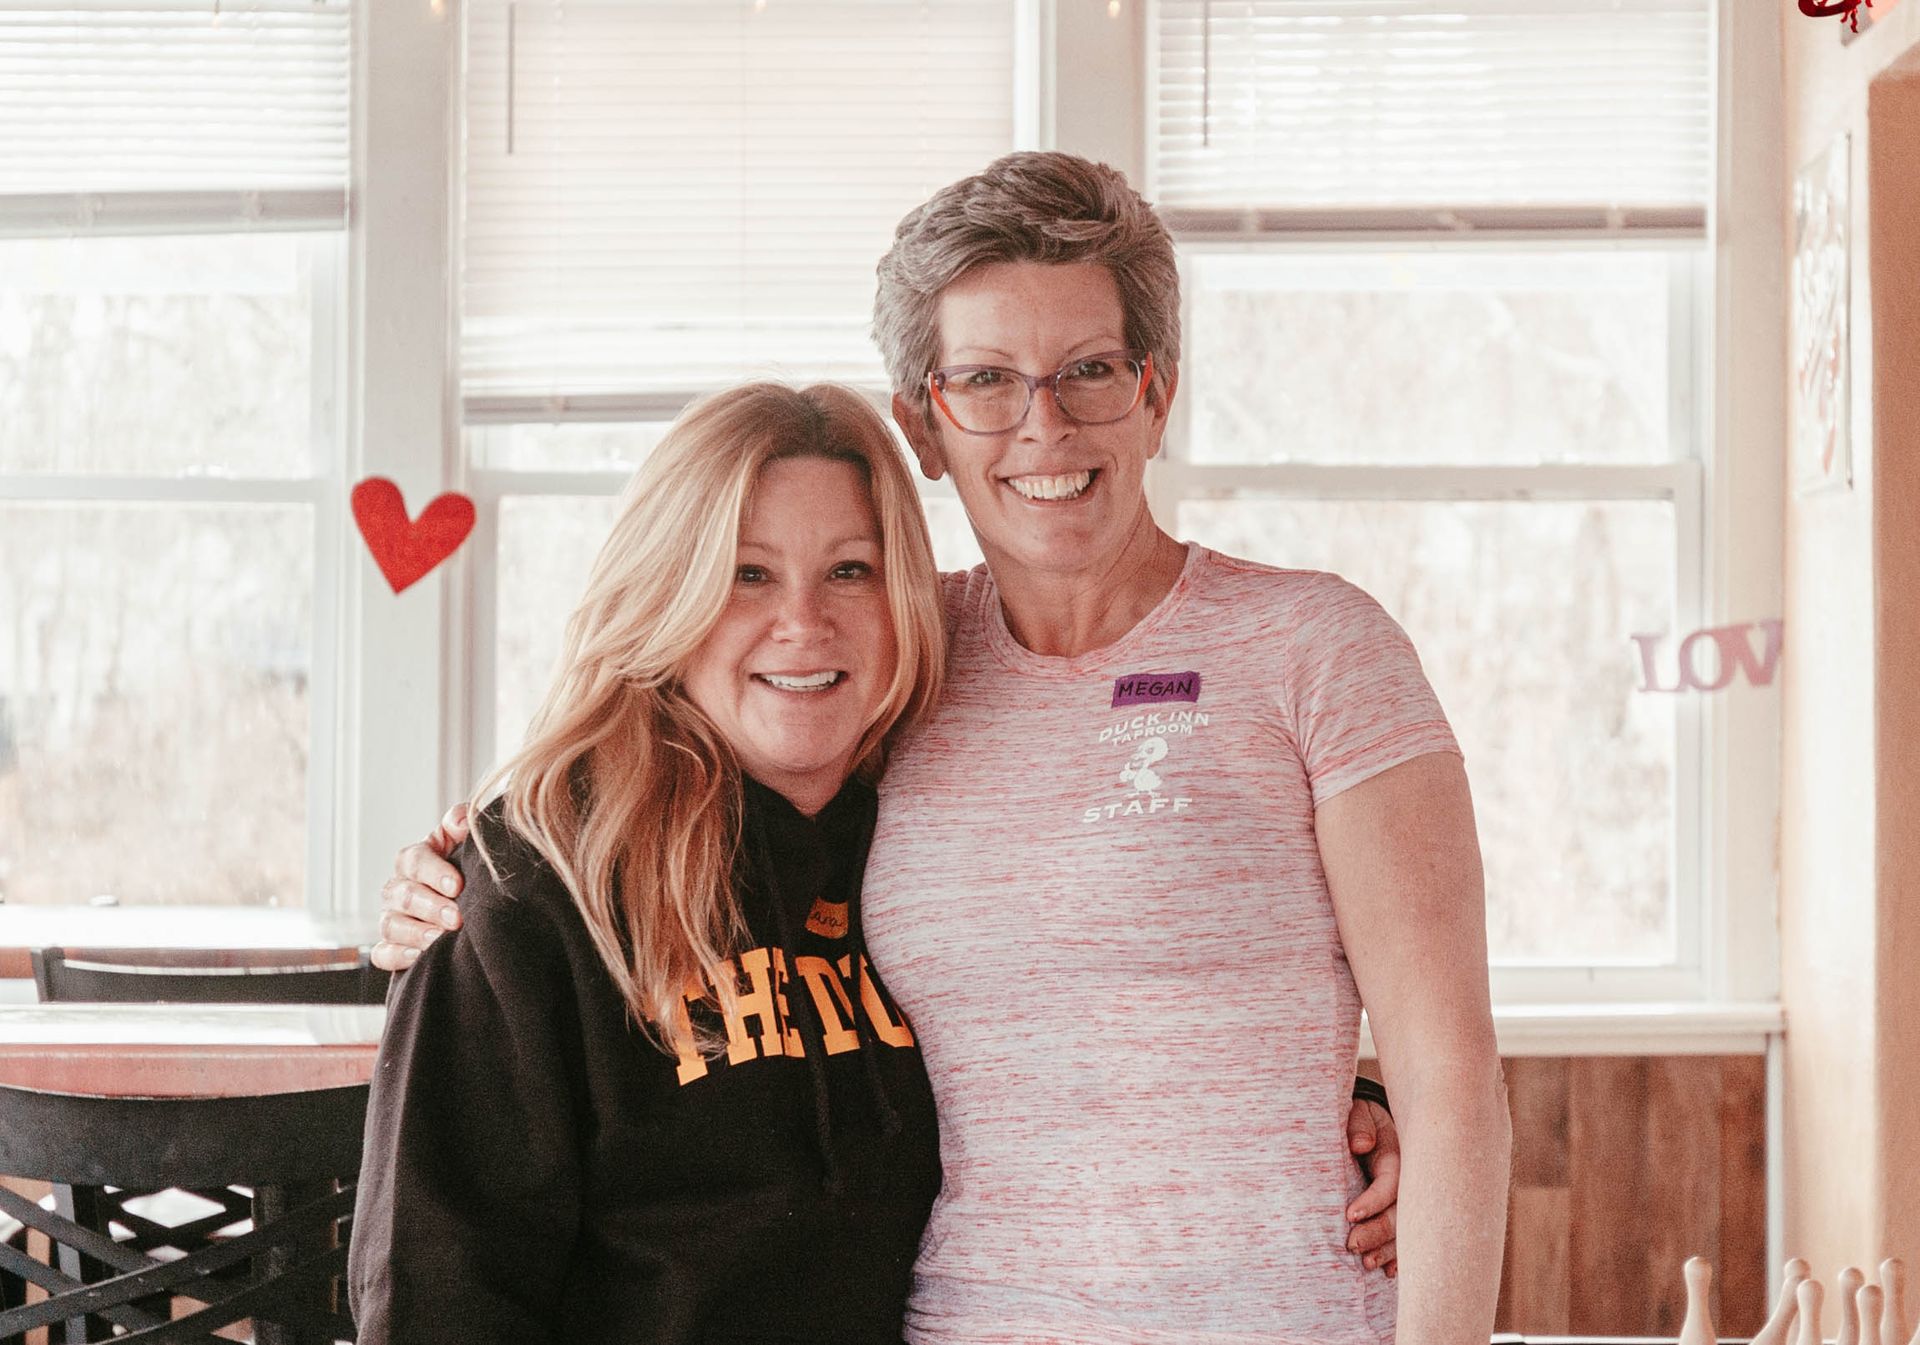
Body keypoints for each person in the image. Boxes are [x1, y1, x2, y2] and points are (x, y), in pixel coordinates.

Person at [377, 152, 1509, 1345]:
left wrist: (1357, 1105)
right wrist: (460, 877)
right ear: (925, 422)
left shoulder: (1311, 647)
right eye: (986, 380)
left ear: (1156, 392)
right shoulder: (904, 663)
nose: (1045, 424)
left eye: (1090, 371)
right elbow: (684, 763)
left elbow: (1449, 1067)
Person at [348, 383, 951, 1344]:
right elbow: (438, 1299)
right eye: (748, 574)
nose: (804, 620)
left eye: (850, 570)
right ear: (670, 594)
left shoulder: (936, 847)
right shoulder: (533, 882)